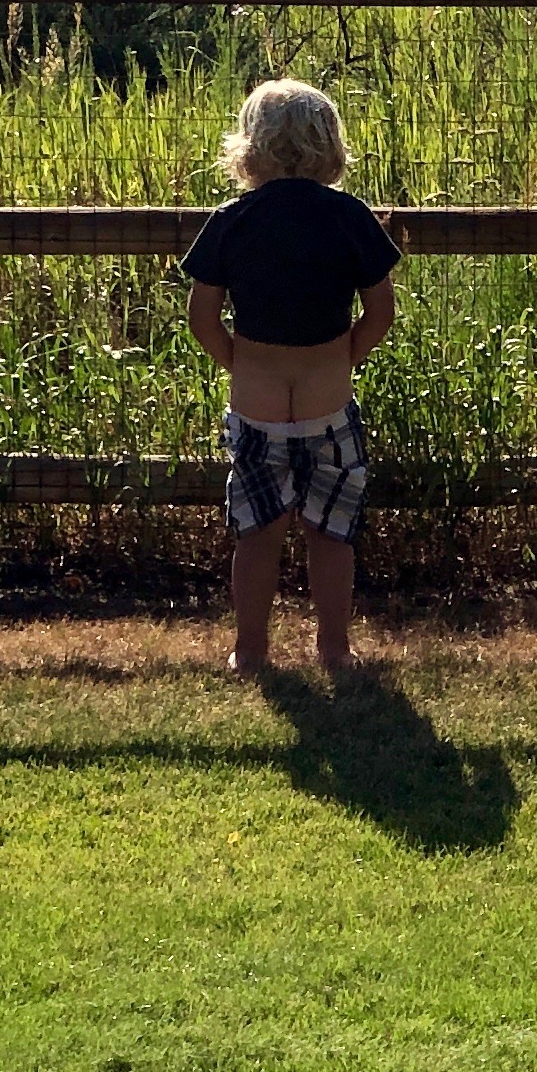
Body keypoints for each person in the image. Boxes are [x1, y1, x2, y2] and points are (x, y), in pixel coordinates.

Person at [180, 78, 399, 676]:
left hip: (257, 406)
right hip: (330, 402)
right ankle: (334, 648)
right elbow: (381, 310)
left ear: (250, 146)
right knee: (331, 532)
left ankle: (250, 649)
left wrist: (239, 362)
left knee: (257, 533)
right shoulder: (349, 217)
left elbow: (202, 318)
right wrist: (344, 357)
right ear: (329, 145)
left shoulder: (232, 220)